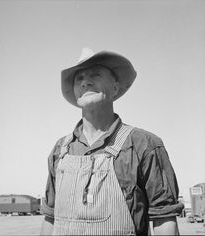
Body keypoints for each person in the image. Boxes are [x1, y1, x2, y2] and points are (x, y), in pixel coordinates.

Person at [40, 48, 184, 235]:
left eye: (95, 74)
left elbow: (164, 220)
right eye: (79, 78)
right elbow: (50, 218)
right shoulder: (61, 149)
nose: (86, 82)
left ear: (115, 87)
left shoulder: (143, 144)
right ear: (75, 92)